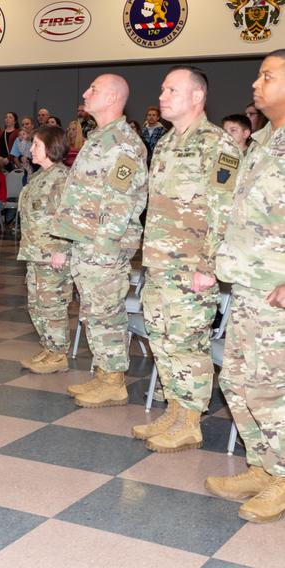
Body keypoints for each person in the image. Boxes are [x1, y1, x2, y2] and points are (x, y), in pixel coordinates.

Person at [134, 66, 242, 453]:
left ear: (197, 97)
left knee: (188, 343)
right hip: (162, 262)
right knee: (163, 338)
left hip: (192, 267)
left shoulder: (217, 145)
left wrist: (208, 267)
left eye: (172, 90)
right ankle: (176, 409)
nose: (162, 96)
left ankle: (191, 422)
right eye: (162, 88)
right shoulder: (164, 143)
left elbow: (224, 210)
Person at [206, 50, 285, 523]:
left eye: (268, 76)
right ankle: (264, 466)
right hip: (249, 284)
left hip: (275, 287)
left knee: (270, 388)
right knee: (237, 379)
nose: (256, 83)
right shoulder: (264, 141)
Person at [50, 74, 148, 407]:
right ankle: (104, 374)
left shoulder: (123, 142)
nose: (85, 92)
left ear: (112, 99)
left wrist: (105, 250)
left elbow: (120, 203)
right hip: (86, 242)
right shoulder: (98, 137)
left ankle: (114, 381)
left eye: (94, 89)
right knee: (94, 312)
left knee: (107, 312)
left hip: (104, 246)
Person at [18, 125, 73, 374]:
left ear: (51, 147)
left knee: (53, 305)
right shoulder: (39, 176)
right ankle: (49, 347)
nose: (31, 149)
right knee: (37, 304)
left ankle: (59, 353)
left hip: (52, 254)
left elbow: (68, 217)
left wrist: (61, 249)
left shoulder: (62, 179)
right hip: (35, 252)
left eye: (36, 145)